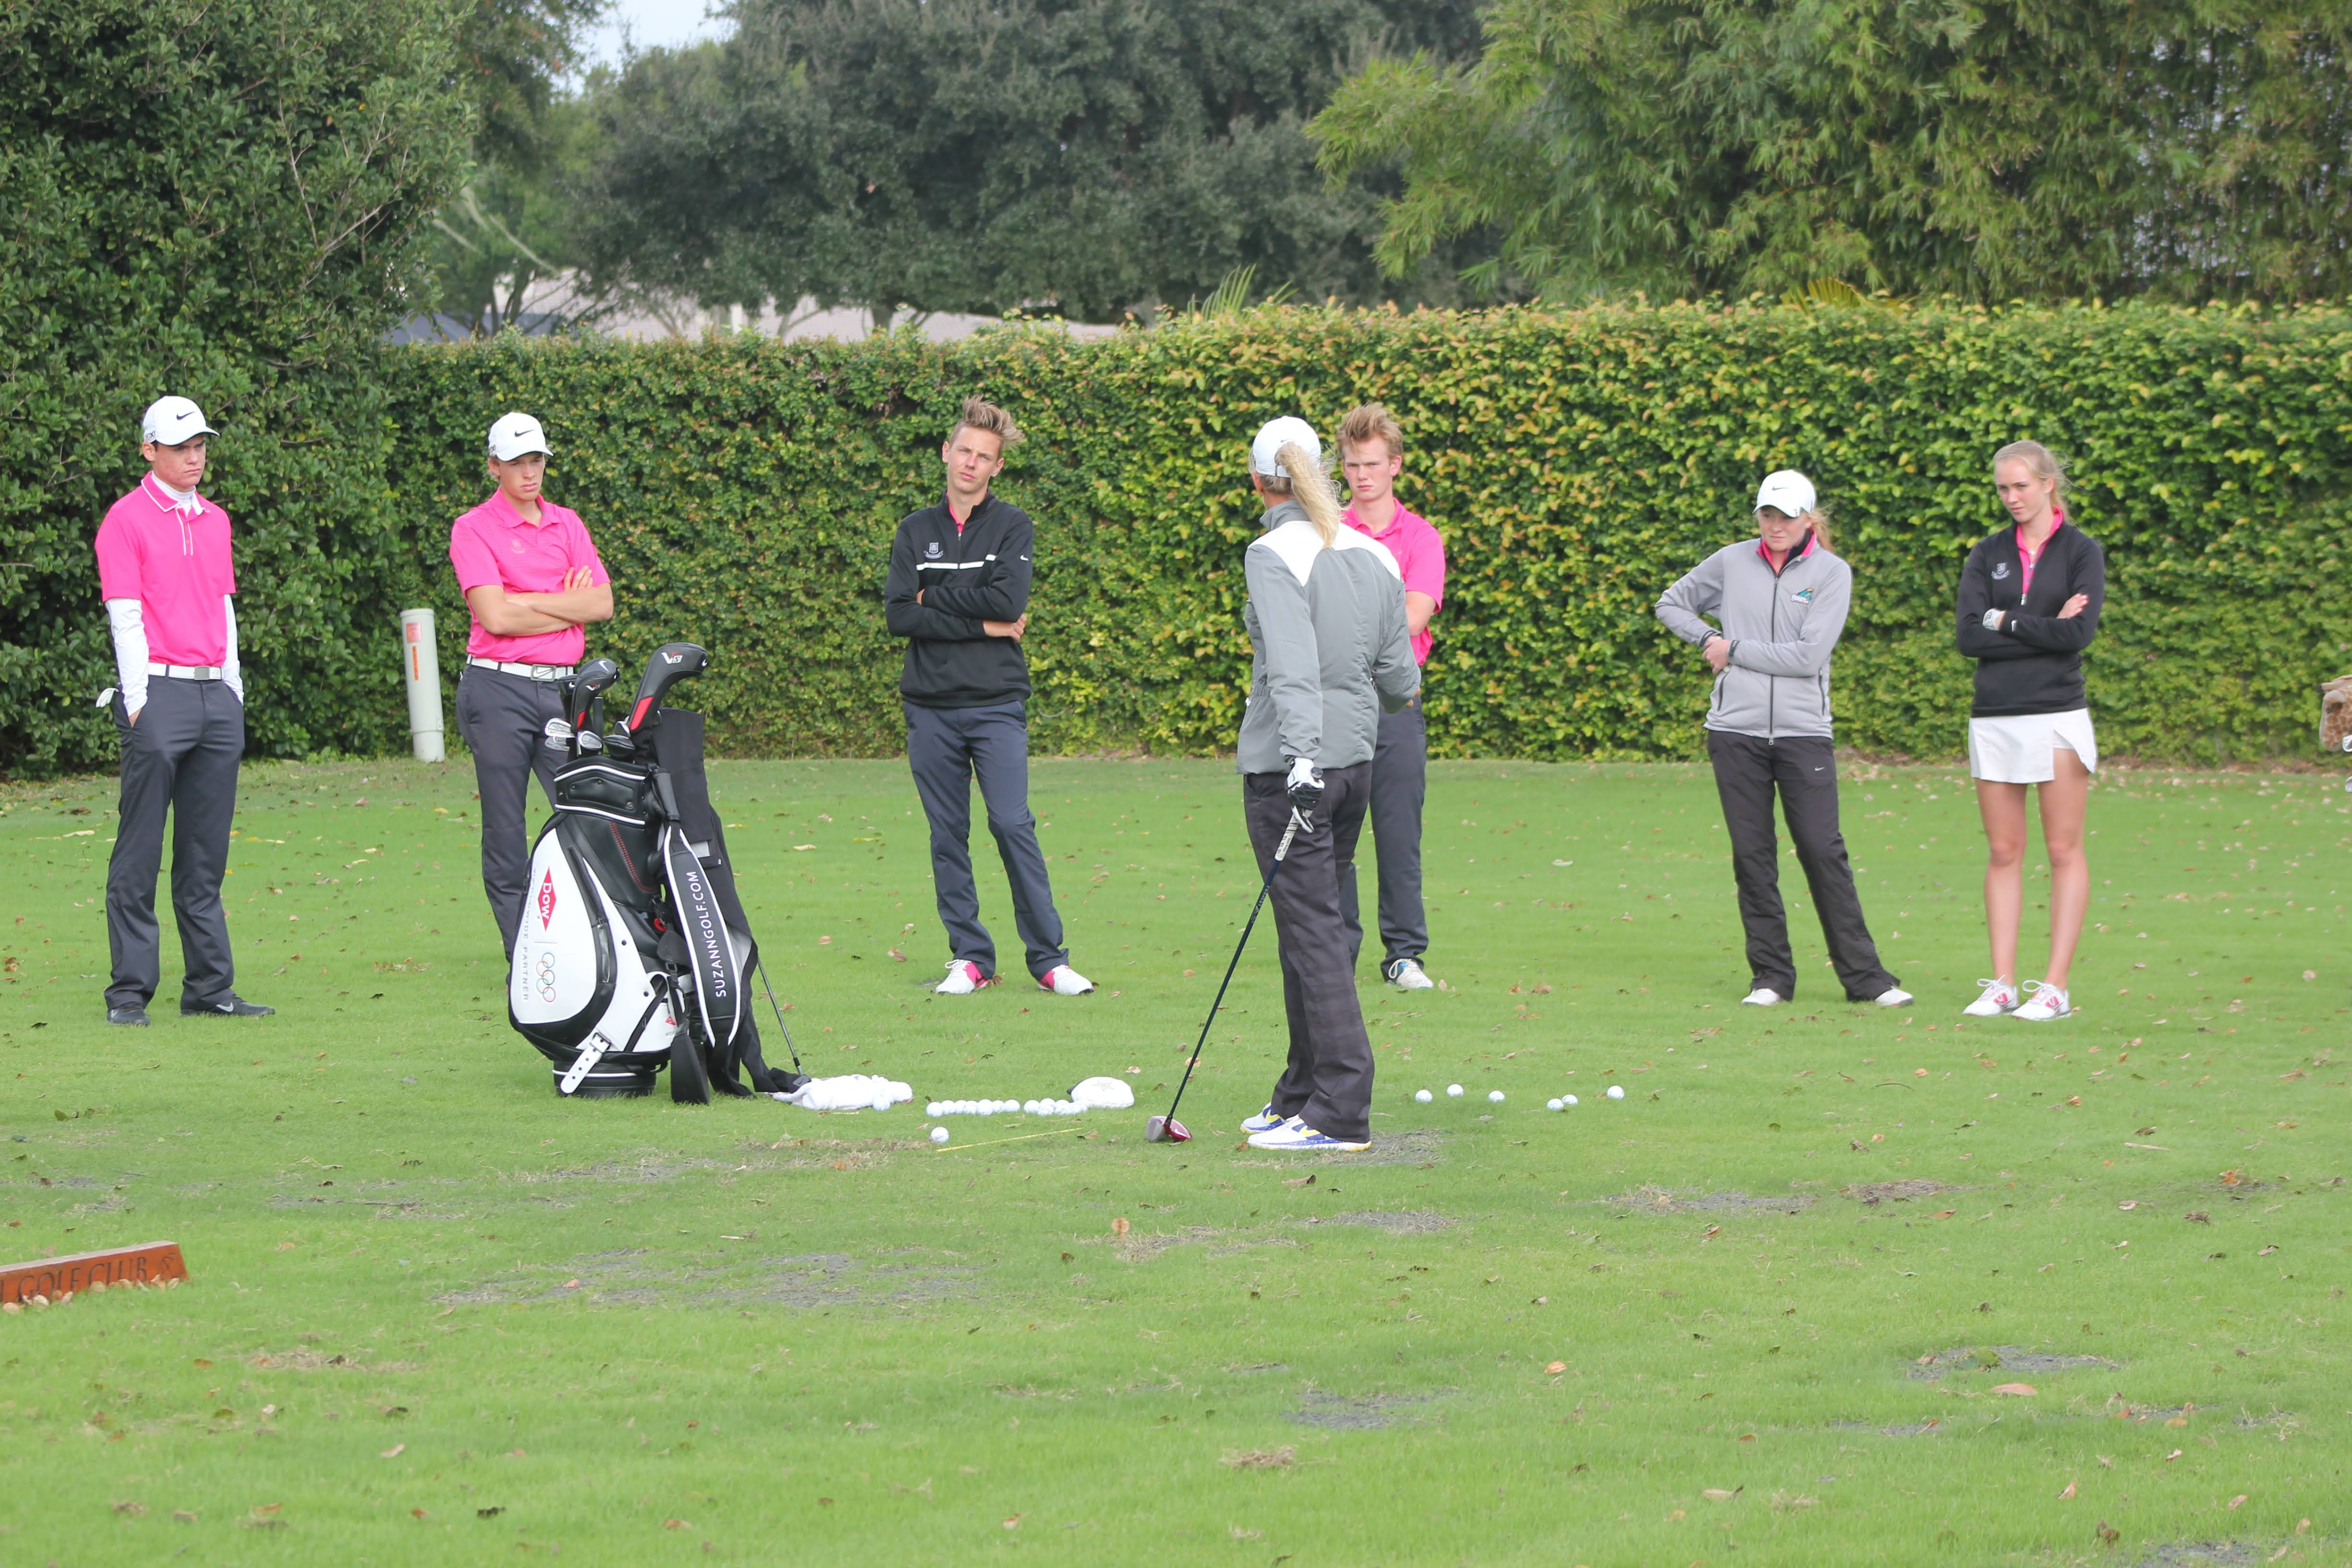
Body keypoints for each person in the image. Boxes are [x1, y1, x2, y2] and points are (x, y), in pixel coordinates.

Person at [1656, 471, 1911, 1010]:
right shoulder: (1731, 561)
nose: (1775, 526)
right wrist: (1707, 637)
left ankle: (1866, 978)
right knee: (1753, 856)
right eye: (1767, 515)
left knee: (1822, 850)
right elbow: (1671, 603)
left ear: (1808, 519)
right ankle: (1771, 977)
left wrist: (1732, 649)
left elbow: (1807, 657)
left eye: (1787, 517)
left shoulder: (1831, 572)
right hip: (1734, 731)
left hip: (1802, 733)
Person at [1235, 416, 1420, 1153]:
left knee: (1312, 930)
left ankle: (1340, 1107)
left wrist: (1301, 757)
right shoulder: (1372, 552)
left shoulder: (1270, 552)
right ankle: (1301, 1091)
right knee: (1308, 926)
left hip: (1293, 772)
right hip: (1354, 766)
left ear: (1259, 481)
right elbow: (1398, 679)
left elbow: (1290, 662)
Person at [884, 396, 1092, 998]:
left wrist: (933, 596)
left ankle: (1048, 960)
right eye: (964, 451)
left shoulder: (1011, 525)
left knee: (1010, 822)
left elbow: (1009, 601)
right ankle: (970, 957)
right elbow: (899, 615)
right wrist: (983, 625)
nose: (970, 463)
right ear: (946, 452)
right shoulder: (914, 529)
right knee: (947, 833)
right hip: (929, 707)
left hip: (996, 703)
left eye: (983, 456)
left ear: (997, 467)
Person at [96, 396, 273, 1025]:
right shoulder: (125, 519)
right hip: (158, 693)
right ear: (150, 451)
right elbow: (125, 614)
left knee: (204, 853)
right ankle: (129, 992)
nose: (195, 457)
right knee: (140, 851)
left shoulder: (216, 520)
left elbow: (223, 606)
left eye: (200, 446)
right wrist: (139, 700)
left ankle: (209, 987)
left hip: (214, 695)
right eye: (180, 448)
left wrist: (233, 688)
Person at [449, 412, 613, 954]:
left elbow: (601, 603)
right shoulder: (473, 527)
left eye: (536, 459)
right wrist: (566, 606)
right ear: (493, 466)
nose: (528, 471)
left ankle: (594, 944)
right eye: (516, 461)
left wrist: (526, 601)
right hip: (498, 690)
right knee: (505, 829)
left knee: (589, 816)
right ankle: (523, 955)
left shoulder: (567, 523)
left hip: (565, 691)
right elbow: (495, 618)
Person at [1954, 440, 2105, 1022]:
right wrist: (2038, 626)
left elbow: (2076, 635)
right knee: (2002, 851)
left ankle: (2055, 988)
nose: (2011, 497)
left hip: (2056, 714)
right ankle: (2001, 985)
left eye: (2020, 485)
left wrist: (2004, 620)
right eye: (2002, 488)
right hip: (1994, 715)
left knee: (2062, 850)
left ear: (2047, 483)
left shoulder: (2081, 551)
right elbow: (1968, 636)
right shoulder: (1986, 552)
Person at [1334, 404, 1446, 992]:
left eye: (1372, 464)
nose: (1362, 476)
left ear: (1395, 465)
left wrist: (1348, 625)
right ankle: (1337, 953)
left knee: (1399, 834)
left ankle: (1404, 955)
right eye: (1352, 465)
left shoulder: (1421, 536)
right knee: (1336, 835)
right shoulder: (1327, 532)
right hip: (1337, 702)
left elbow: (1414, 616)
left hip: (1395, 702)